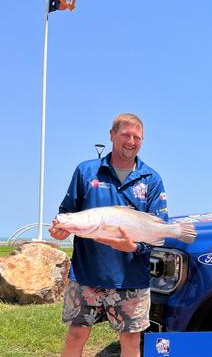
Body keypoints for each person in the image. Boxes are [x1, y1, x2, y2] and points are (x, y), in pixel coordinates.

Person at [50, 113, 168, 357]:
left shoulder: (151, 179)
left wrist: (134, 247)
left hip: (131, 278)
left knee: (131, 343)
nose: (131, 141)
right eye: (125, 134)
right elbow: (66, 212)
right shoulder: (86, 172)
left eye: (137, 137)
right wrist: (60, 228)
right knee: (76, 336)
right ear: (112, 135)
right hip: (86, 274)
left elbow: (159, 231)